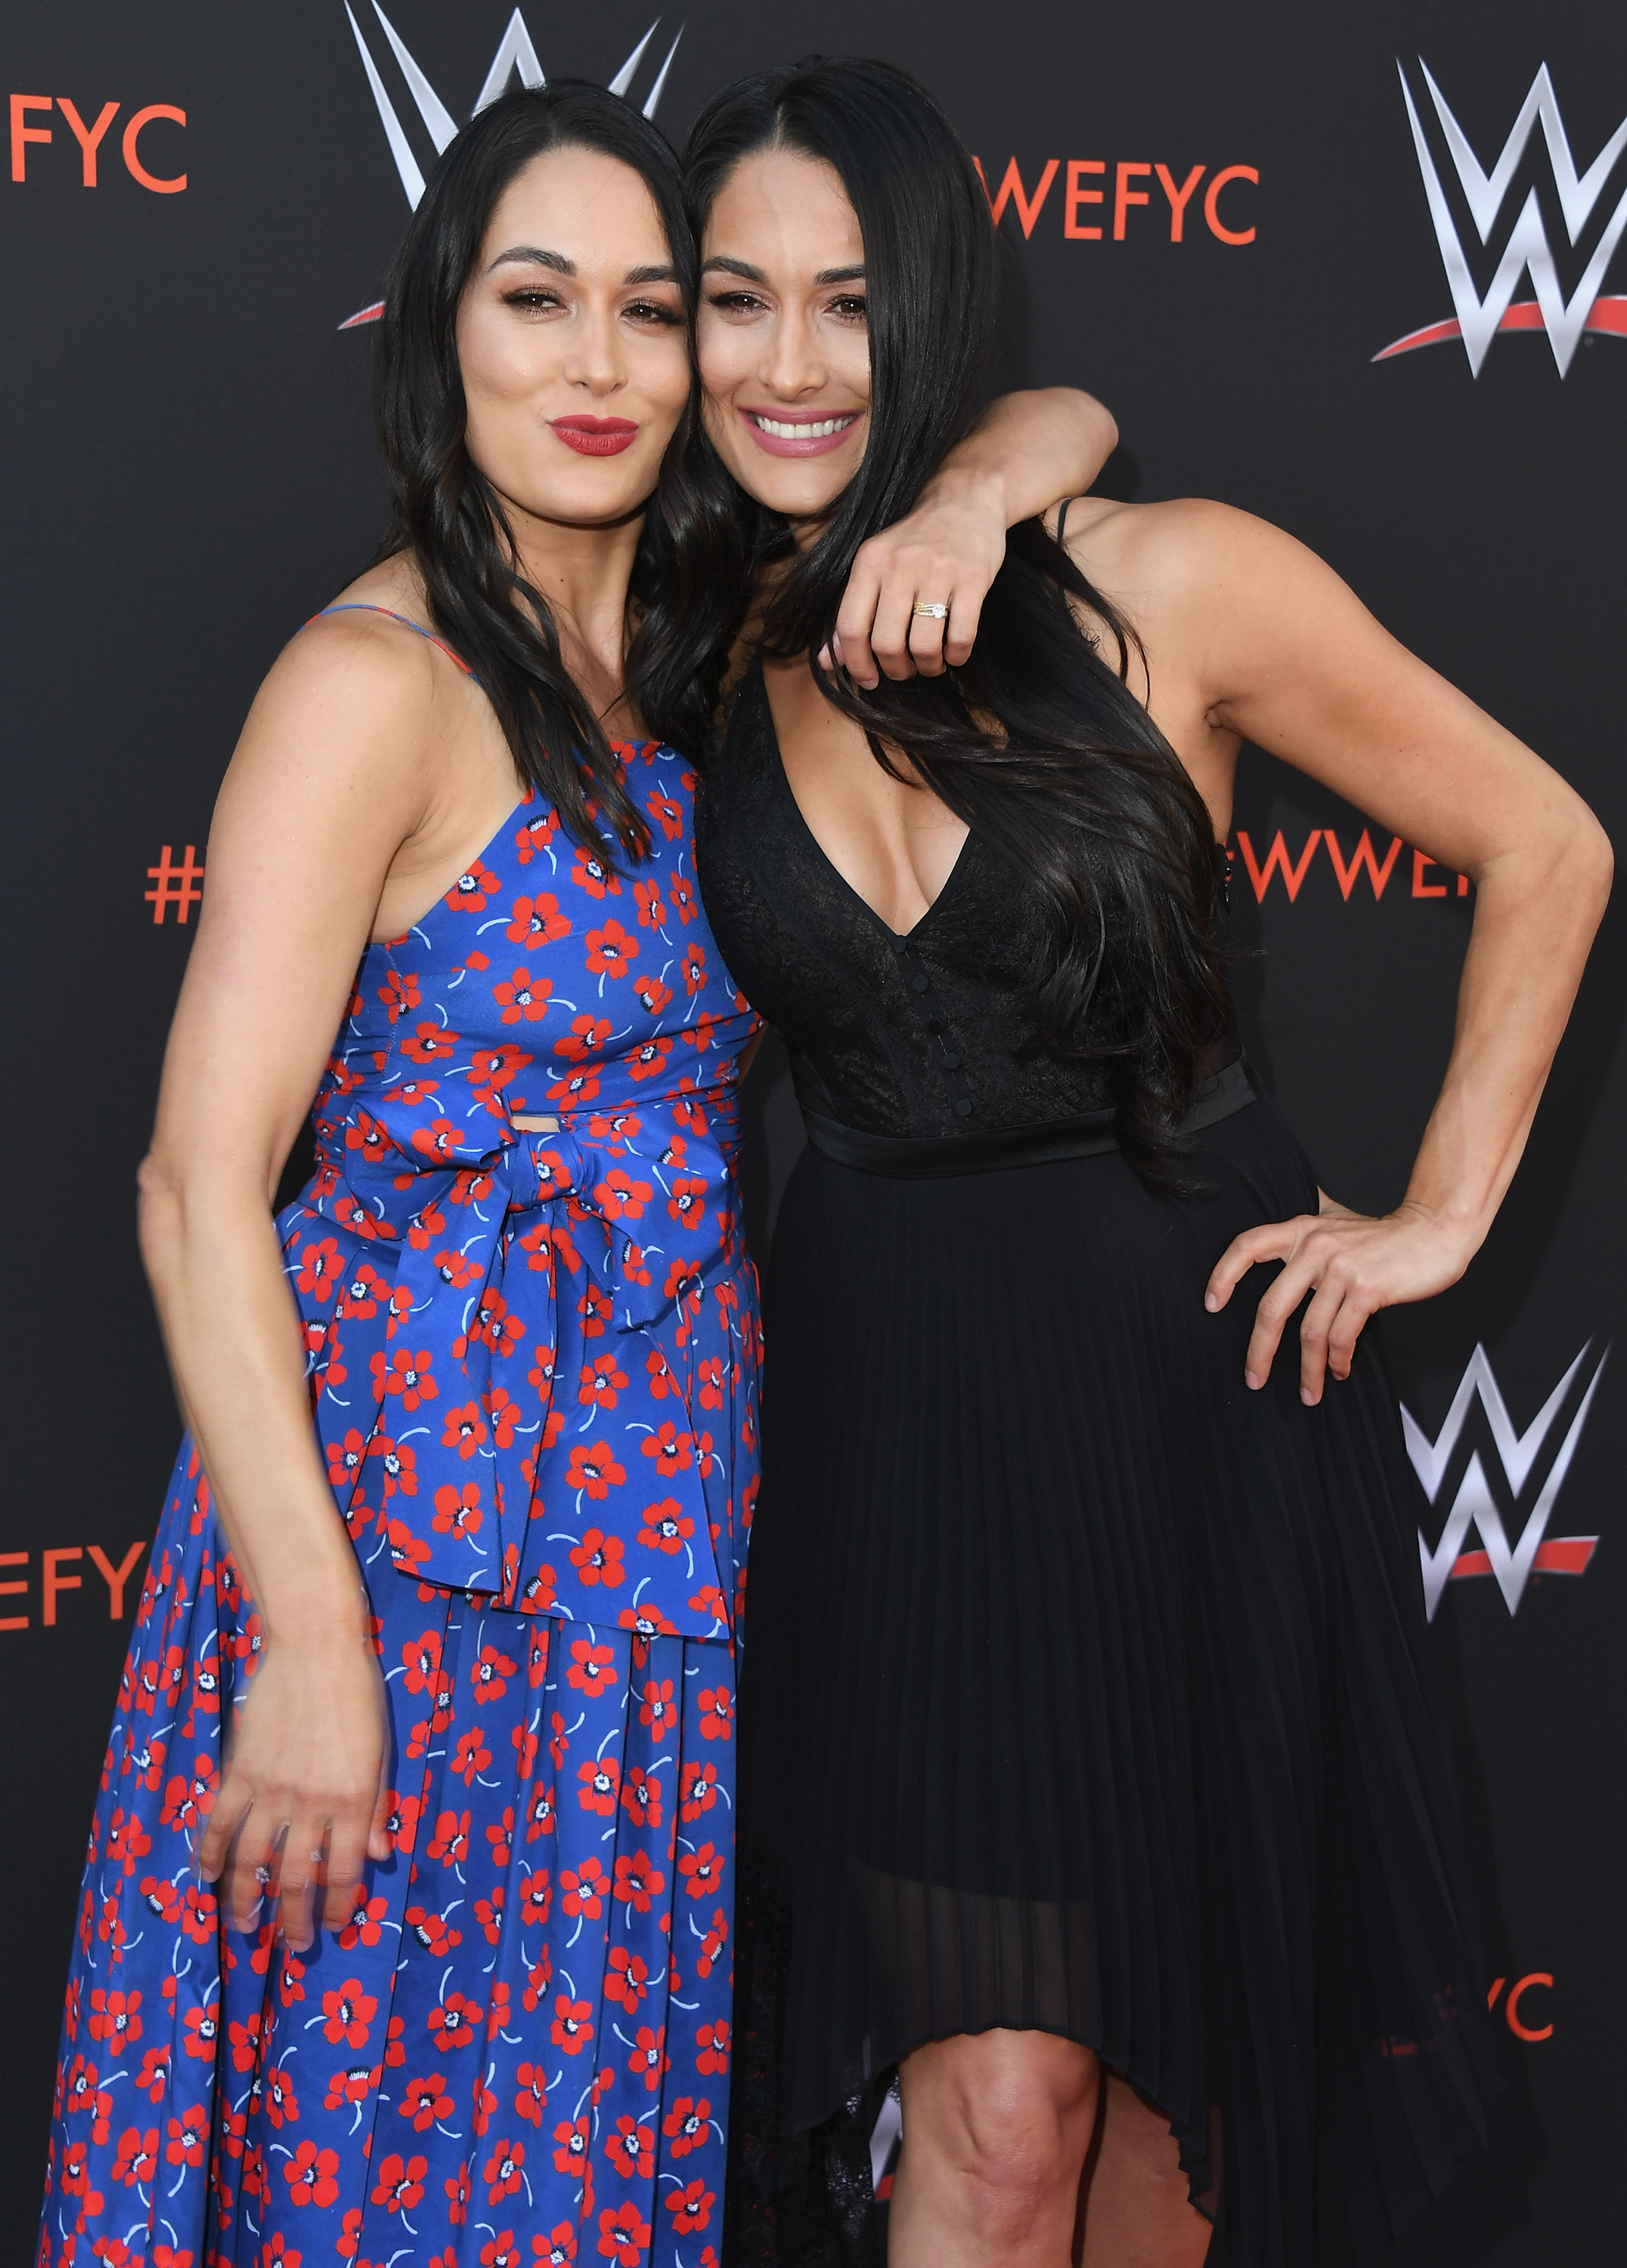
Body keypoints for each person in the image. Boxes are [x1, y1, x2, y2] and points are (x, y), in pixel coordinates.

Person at [36, 79, 1118, 2268]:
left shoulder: (718, 652)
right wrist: (317, 1643)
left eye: (656, 309)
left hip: (645, 1580)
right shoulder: (375, 679)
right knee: (370, 2184)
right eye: (542, 302)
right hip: (399, 1566)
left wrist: (988, 481)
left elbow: (1069, 408)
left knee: (557, 2182)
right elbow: (191, 1182)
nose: (608, 367)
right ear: (444, 336)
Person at [671, 57, 1613, 2268]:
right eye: (736, 301)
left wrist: (1445, 1211)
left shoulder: (1164, 585)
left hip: (1193, 1404)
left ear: (933, 303)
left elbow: (1543, 839)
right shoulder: (697, 645)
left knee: (1161, 2114)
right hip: (897, 1428)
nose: (794, 363)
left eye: (849, 296)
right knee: (992, 2121)